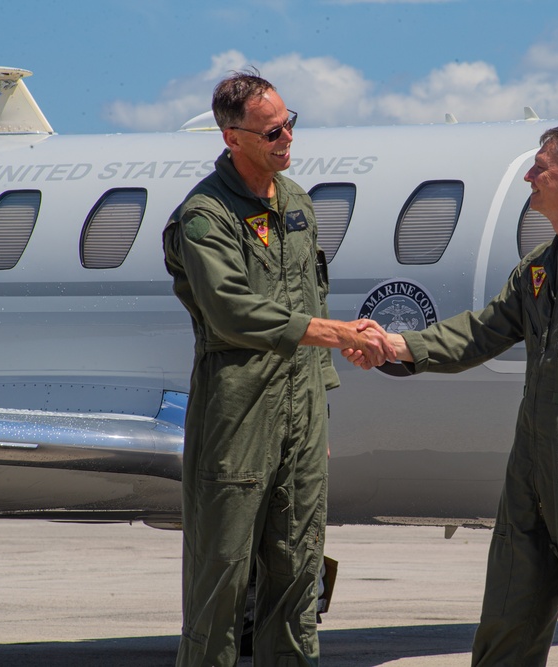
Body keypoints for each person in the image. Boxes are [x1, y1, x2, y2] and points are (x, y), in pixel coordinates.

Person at [346, 125, 558, 667]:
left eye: (540, 168)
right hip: (530, 468)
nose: (529, 176)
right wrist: (397, 346)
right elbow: (480, 332)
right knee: (508, 616)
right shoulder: (537, 271)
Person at [162, 70, 395, 667]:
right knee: (222, 575)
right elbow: (233, 311)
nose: (286, 137)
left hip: (300, 410)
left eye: (289, 123)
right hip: (238, 413)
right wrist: (338, 335)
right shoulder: (204, 216)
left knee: (298, 569)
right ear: (232, 136)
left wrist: (319, 398)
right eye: (271, 131)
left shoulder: (296, 202)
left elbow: (308, 299)